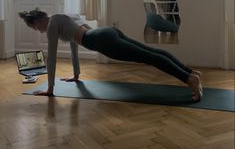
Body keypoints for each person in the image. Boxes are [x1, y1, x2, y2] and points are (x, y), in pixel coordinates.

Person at [19, 9, 203, 101]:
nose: (40, 32)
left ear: (37, 21)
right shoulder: (63, 16)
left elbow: (51, 58)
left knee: (148, 57)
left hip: (100, 41)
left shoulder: (52, 26)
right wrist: (76, 75)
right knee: (151, 52)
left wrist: (50, 89)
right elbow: (74, 45)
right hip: (107, 32)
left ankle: (188, 79)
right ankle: (191, 72)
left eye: (36, 28)